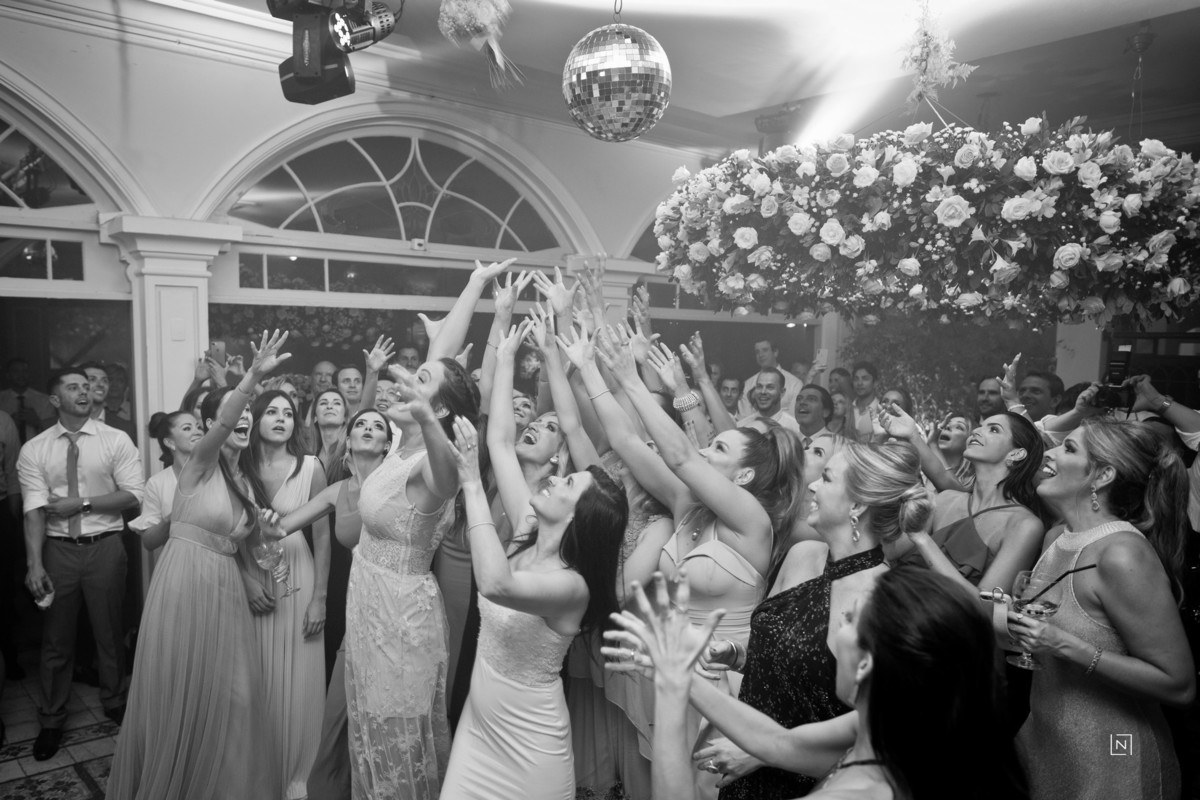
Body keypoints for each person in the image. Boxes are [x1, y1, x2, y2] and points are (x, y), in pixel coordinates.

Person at [562, 323, 804, 800]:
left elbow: (679, 456)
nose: (703, 448)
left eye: (718, 448)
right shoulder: (686, 504)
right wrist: (589, 368)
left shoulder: (752, 522)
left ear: (745, 475)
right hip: (668, 669)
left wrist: (632, 378)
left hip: (723, 678)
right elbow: (626, 442)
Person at [605, 566, 1022, 800]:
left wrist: (671, 690)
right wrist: (680, 672)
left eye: (848, 620)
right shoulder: (896, 725)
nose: (837, 628)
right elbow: (779, 743)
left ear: (865, 664)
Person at [106, 330, 291, 800]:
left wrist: (267, 537)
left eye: (247, 412)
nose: (243, 418)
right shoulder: (198, 466)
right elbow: (225, 421)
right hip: (185, 584)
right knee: (181, 693)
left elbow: (253, 548)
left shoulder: (246, 484)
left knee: (236, 697)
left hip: (226, 591)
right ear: (211, 426)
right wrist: (249, 379)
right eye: (234, 413)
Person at [697, 442, 931, 800]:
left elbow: (884, 741)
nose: (812, 485)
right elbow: (786, 661)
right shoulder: (802, 554)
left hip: (807, 785)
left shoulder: (882, 600)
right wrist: (736, 653)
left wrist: (764, 752)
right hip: (740, 761)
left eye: (827, 478)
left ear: (857, 505)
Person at [439, 412, 626, 800]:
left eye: (568, 482)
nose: (555, 478)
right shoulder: (528, 530)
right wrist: (504, 368)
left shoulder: (573, 587)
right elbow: (499, 443)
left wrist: (472, 483)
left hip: (530, 750)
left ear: (578, 516)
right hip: (477, 729)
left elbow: (495, 584)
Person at [1011, 417, 1195, 800]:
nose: (1049, 453)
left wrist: (1065, 645)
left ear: (1102, 475)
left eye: (1068, 448)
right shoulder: (1057, 537)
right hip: (1050, 746)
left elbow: (1179, 685)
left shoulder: (1121, 554)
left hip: (1115, 754)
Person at [344, 357, 477, 799]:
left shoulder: (432, 465)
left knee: (396, 741)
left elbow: (447, 480)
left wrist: (425, 414)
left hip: (399, 619)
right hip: (369, 607)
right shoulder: (400, 445)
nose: (402, 384)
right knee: (370, 734)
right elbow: (440, 363)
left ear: (437, 410)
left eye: (420, 380)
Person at [259, 408, 394, 800]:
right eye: (361, 424)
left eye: (378, 426)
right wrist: (268, 525)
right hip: (359, 607)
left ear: (387, 445)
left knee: (384, 714)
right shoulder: (337, 491)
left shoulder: (400, 487)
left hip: (399, 608)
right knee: (336, 713)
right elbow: (284, 526)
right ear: (348, 440)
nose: (368, 428)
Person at [18, 367, 143, 761]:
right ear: (55, 400)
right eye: (73, 388)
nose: (84, 392)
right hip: (58, 550)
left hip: (105, 546)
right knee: (56, 640)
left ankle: (115, 700)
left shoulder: (115, 439)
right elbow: (34, 511)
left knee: (109, 630)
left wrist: (83, 504)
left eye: (86, 387)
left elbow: (133, 495)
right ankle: (52, 719)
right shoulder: (35, 448)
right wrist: (34, 565)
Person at [242, 389, 330, 800]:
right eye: (272, 412)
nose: (281, 419)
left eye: (289, 414)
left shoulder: (311, 467)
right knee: (253, 676)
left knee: (298, 679)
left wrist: (319, 598)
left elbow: (323, 537)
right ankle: (255, 772)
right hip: (251, 578)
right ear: (255, 418)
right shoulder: (237, 466)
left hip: (298, 575)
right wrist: (246, 579)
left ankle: (297, 775)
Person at [882, 408, 1045, 595]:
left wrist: (922, 539)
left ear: (1016, 454)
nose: (976, 431)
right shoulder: (944, 499)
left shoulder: (1024, 525)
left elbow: (985, 605)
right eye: (980, 426)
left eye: (993, 429)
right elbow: (888, 553)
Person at [127, 411, 203, 551]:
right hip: (178, 560)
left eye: (199, 427)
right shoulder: (157, 483)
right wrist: (171, 518)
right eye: (187, 428)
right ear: (170, 442)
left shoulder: (218, 473)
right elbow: (149, 543)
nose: (197, 432)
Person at [738, 340, 801, 419]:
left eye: (765, 350)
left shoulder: (794, 384)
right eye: (757, 352)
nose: (761, 355)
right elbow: (745, 418)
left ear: (775, 352)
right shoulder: (748, 384)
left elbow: (794, 419)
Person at [0, 357, 54, 443]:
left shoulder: (45, 401)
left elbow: (54, 432)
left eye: (25, 371)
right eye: (16, 371)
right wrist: (9, 423)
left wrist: (37, 422)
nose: (21, 375)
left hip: (38, 448)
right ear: (8, 375)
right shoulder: (1, 400)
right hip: (7, 449)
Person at [737, 369, 800, 434]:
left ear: (782, 392)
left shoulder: (796, 429)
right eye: (759, 387)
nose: (763, 392)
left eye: (770, 387)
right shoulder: (741, 427)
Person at [848, 362, 881, 442]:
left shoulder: (880, 410)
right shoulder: (847, 408)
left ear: (875, 383)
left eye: (865, 379)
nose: (859, 383)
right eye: (856, 379)